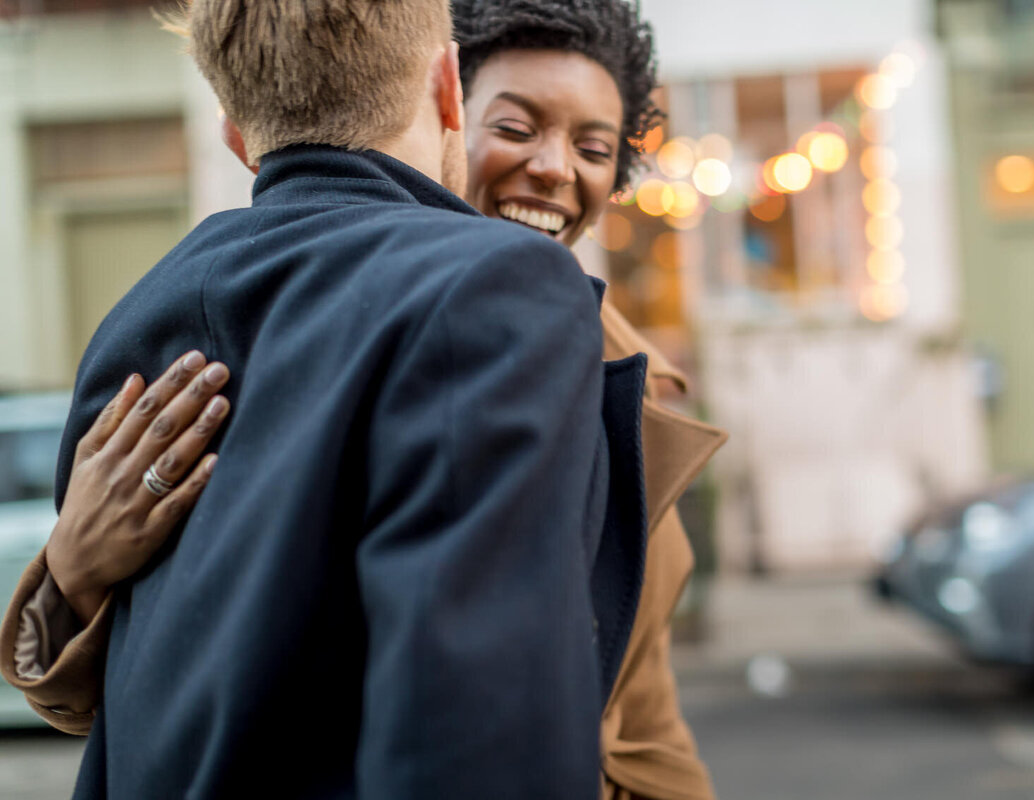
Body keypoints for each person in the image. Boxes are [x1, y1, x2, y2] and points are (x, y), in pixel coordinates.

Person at [2, 0, 728, 797]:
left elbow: (649, 726)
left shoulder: (627, 372)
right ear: (448, 94)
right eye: (516, 129)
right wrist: (71, 571)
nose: (555, 167)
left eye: (594, 145)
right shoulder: (488, 300)